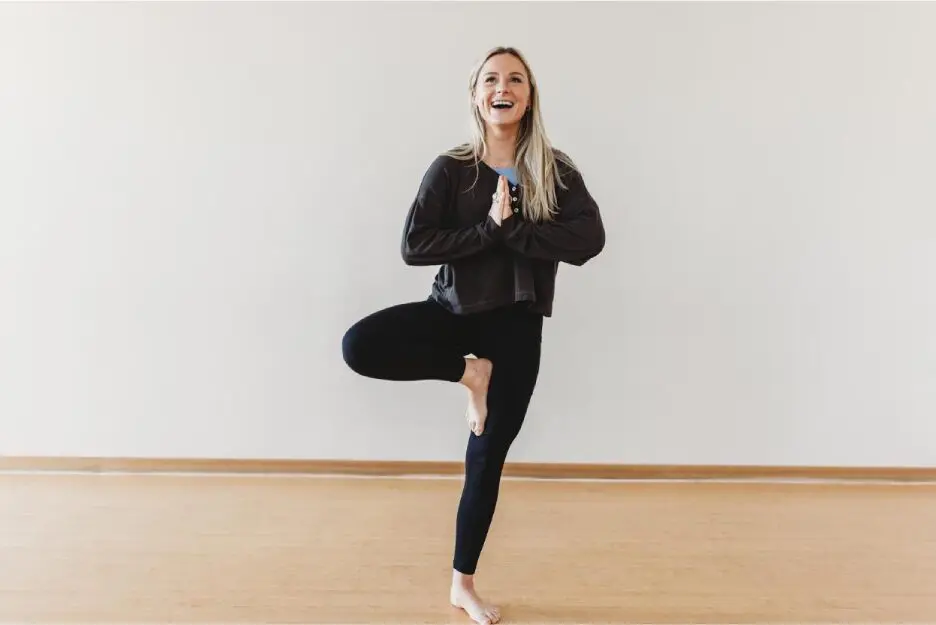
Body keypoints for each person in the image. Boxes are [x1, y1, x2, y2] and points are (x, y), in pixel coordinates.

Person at [341, 46, 605, 625]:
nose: (502, 86)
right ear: (476, 95)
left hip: (516, 325)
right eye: (491, 78)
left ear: (529, 96)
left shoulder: (552, 171)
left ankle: (462, 584)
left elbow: (589, 240)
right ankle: (469, 373)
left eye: (515, 78)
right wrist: (489, 228)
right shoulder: (453, 168)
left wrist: (515, 233)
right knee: (360, 345)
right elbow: (416, 245)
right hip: (455, 312)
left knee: (485, 458)